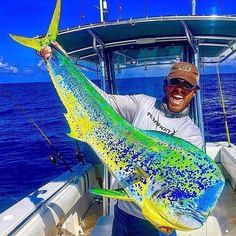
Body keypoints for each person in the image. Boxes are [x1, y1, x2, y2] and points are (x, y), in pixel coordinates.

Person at [40, 46, 202, 236]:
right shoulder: (143, 104)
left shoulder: (191, 135)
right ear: (166, 84)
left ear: (194, 92)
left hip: (154, 221)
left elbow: (177, 184)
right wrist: (63, 62)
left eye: (187, 86)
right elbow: (103, 101)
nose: (179, 89)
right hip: (123, 210)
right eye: (175, 82)